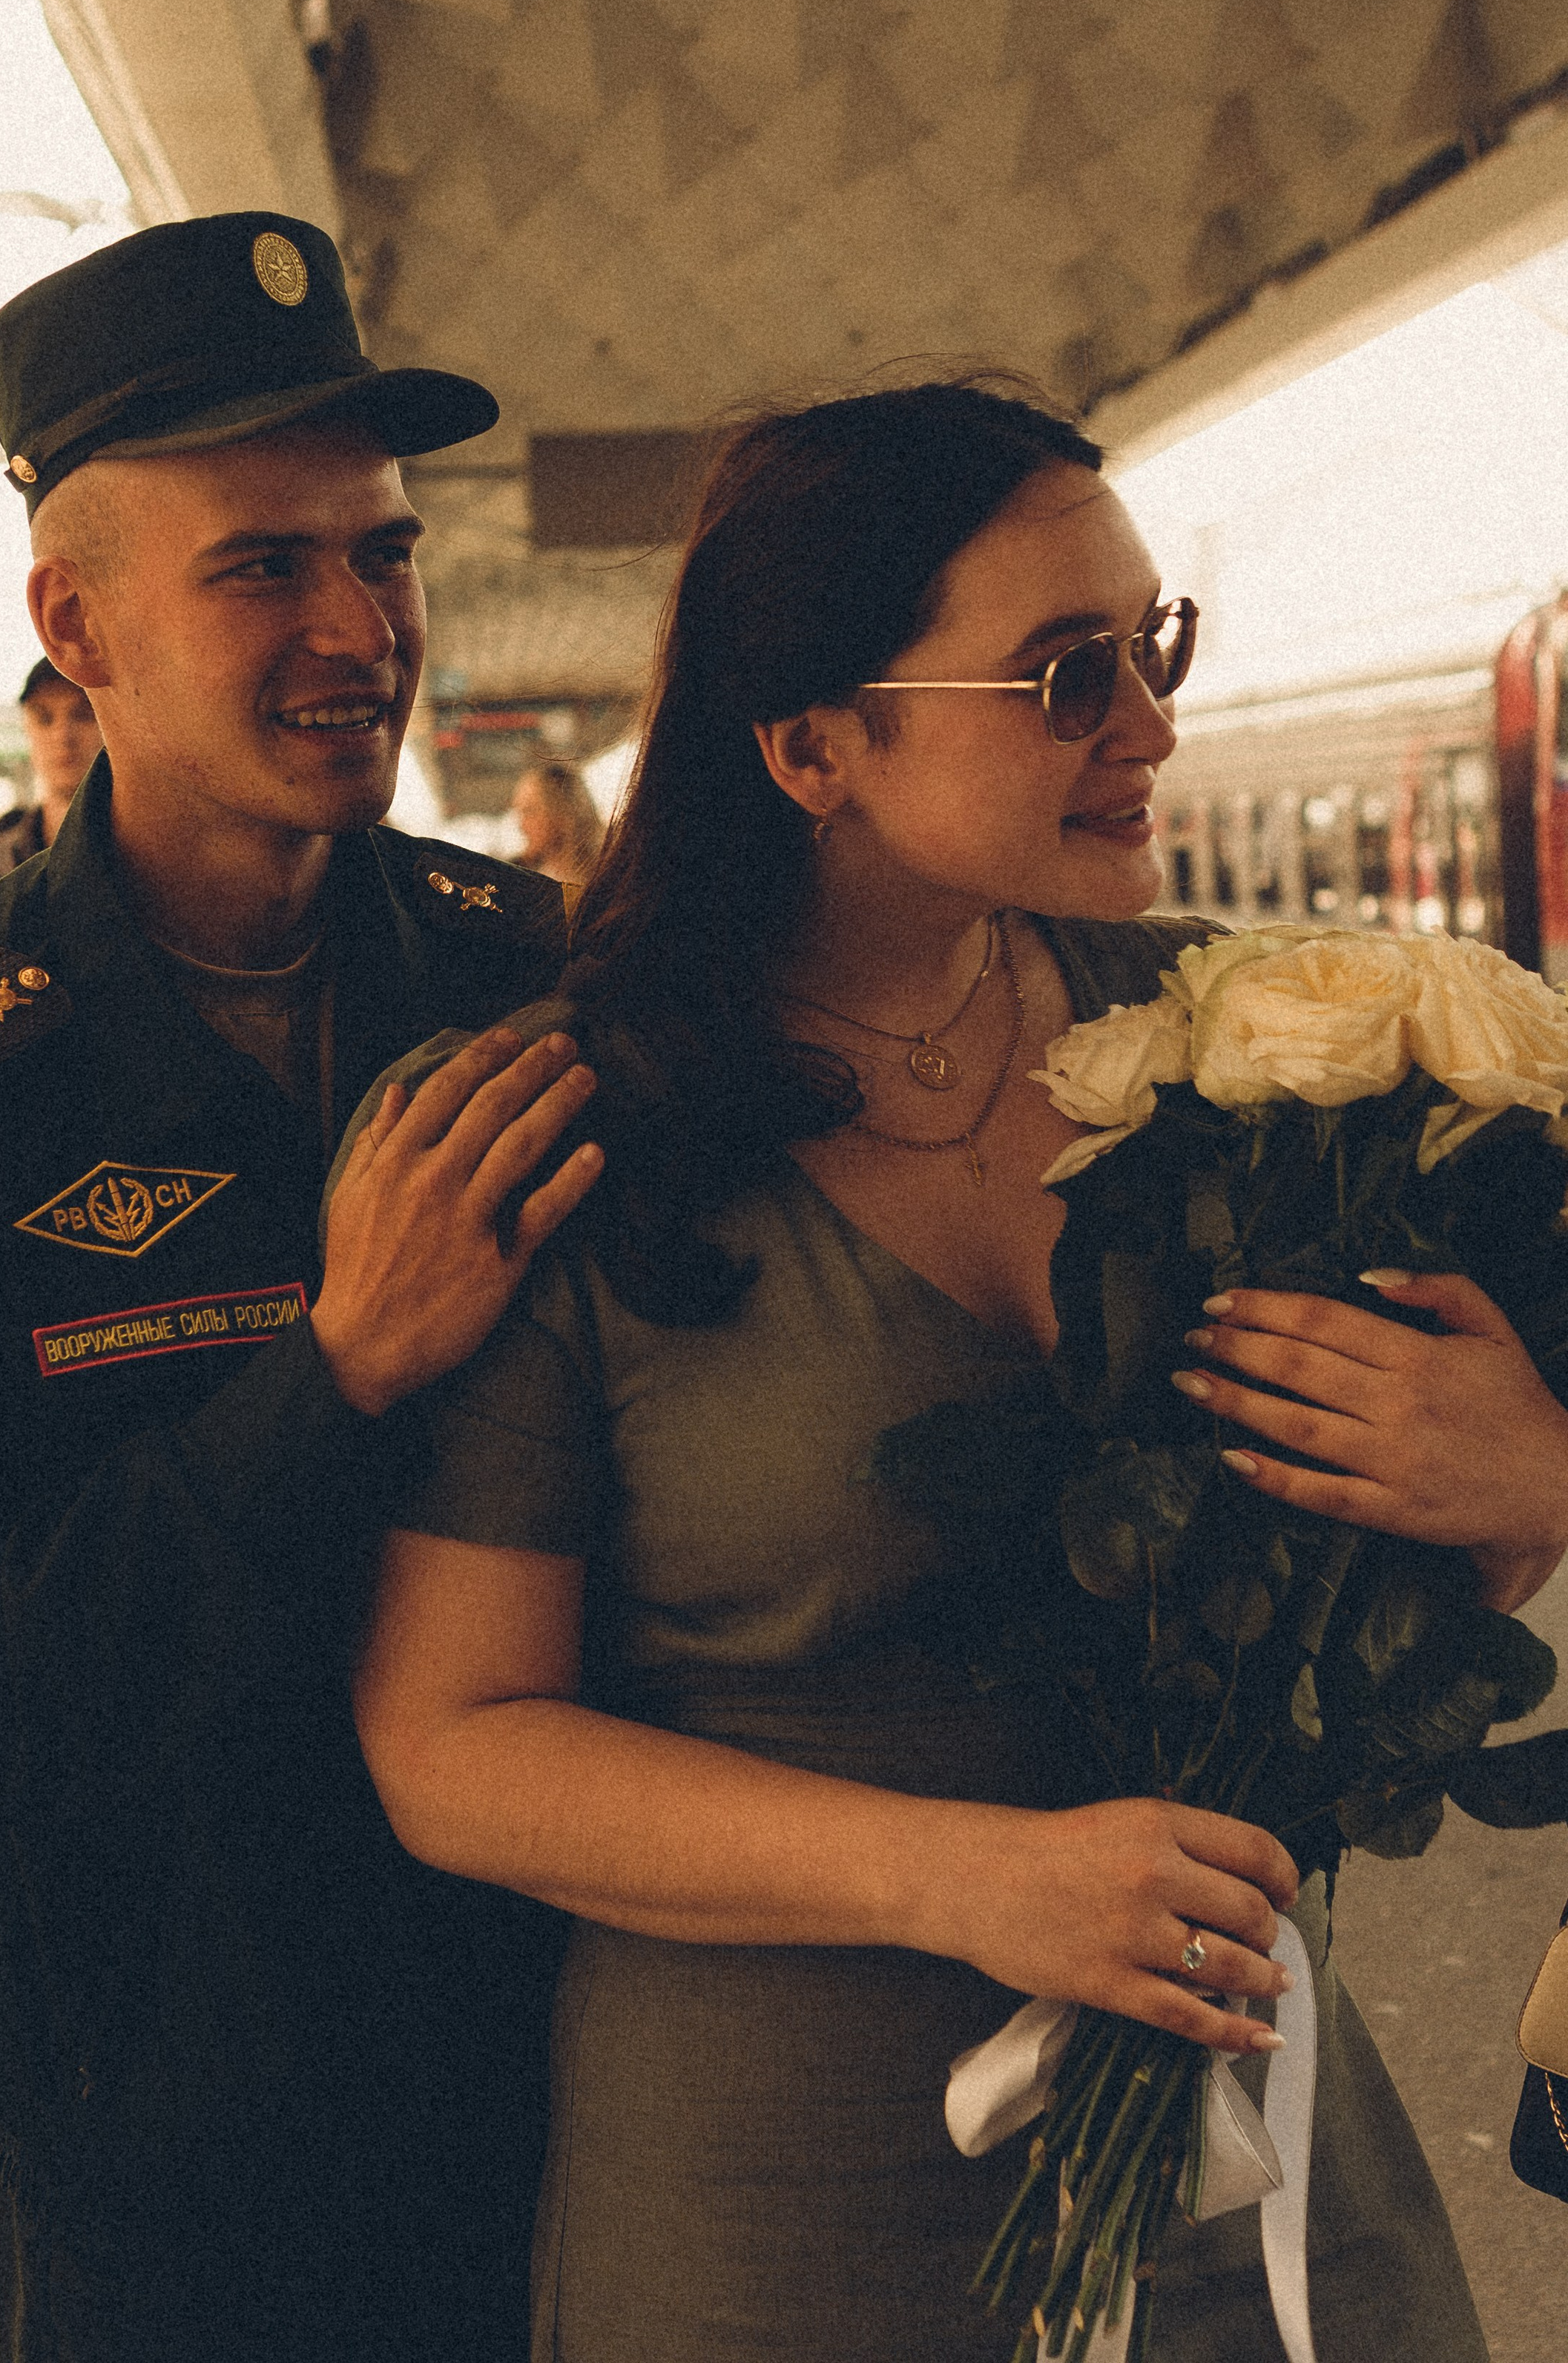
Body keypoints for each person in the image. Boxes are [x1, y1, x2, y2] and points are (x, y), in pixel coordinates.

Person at [349, 378, 1567, 2363]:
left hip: (1251, 2149)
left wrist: (1522, 1487)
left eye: (1153, 645)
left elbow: (1379, 1598)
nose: (1147, 724)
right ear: (812, 744)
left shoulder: (1263, 1040)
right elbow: (449, 1741)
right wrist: (961, 1877)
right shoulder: (568, 1122)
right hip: (793, 2206)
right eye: (1068, 674)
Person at [0, 212, 603, 2363]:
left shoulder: (532, 989)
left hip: (561, 2088)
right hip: (171, 2159)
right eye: (263, 567)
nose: (358, 628)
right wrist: (330, 1376)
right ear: (79, 625)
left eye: (384, 553)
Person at [0, 657, 104, 925]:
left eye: (83, 714)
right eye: (44, 718)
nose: (62, 735)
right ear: (27, 728)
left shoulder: (149, 856)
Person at [510, 760, 604, 887]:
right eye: (520, 813)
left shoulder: (603, 877)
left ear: (563, 811)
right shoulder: (535, 880)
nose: (522, 826)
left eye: (530, 811)